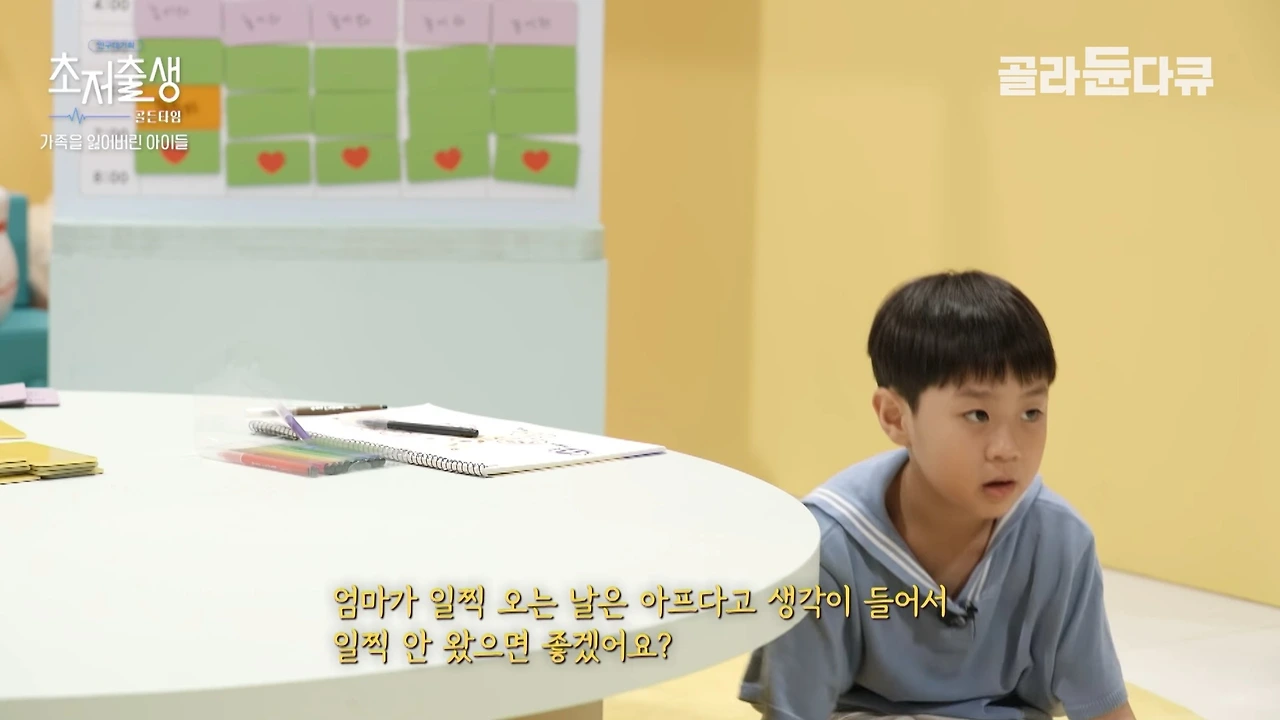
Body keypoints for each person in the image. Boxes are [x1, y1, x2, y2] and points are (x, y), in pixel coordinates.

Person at [739, 270, 1135, 720]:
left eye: (1031, 412)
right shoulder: (825, 551)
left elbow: (1103, 708)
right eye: (978, 414)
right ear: (895, 417)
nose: (1007, 449)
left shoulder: (1060, 542)